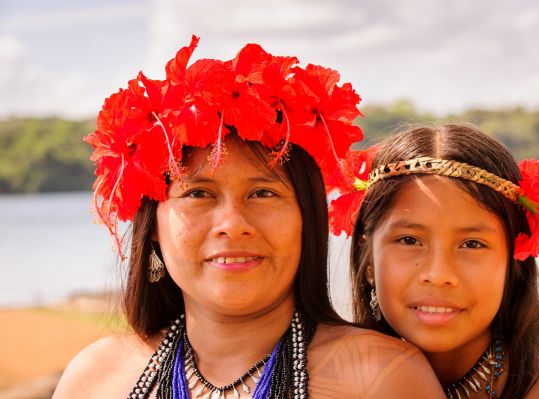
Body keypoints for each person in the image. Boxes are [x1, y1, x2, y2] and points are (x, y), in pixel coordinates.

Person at [52, 37, 444, 398]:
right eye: (199, 194)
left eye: (263, 193)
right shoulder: (94, 379)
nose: (232, 223)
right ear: (153, 226)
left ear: (307, 218)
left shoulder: (383, 379)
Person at [332, 124, 539, 398]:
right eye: (409, 240)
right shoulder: (321, 386)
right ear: (368, 261)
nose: (438, 274)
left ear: (512, 264)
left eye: (472, 244)